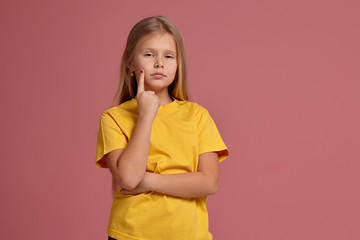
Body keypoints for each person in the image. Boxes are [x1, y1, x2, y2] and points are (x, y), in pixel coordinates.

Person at [95, 16, 229, 240]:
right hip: (131, 234)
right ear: (130, 63)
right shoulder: (113, 118)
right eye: (149, 54)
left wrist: (147, 181)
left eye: (168, 56)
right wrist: (146, 116)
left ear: (178, 64)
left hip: (188, 235)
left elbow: (208, 182)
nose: (159, 63)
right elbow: (128, 179)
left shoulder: (197, 116)